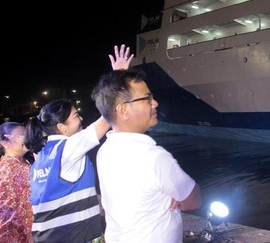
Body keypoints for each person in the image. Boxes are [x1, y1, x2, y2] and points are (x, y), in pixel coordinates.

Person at [24, 44, 133, 242]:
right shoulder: (69, 148)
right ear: (61, 128)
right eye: (75, 116)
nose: (81, 118)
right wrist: (119, 75)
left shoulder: (42, 156)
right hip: (73, 237)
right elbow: (107, 118)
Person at [92, 68, 202, 242]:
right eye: (147, 98)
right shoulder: (155, 157)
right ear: (123, 110)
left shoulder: (105, 150)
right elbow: (193, 199)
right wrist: (173, 195)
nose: (155, 103)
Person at [1, 122, 34, 243]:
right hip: (16, 236)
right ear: (4, 143)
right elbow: (27, 211)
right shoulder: (13, 169)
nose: (28, 138)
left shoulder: (23, 163)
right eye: (22, 135)